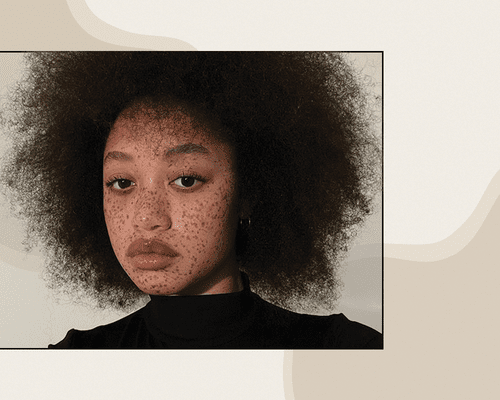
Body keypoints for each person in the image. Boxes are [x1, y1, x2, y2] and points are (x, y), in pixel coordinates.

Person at [0, 52, 382, 349]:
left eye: (185, 179)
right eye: (121, 182)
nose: (147, 218)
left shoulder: (347, 352)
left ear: (248, 194)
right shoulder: (72, 365)